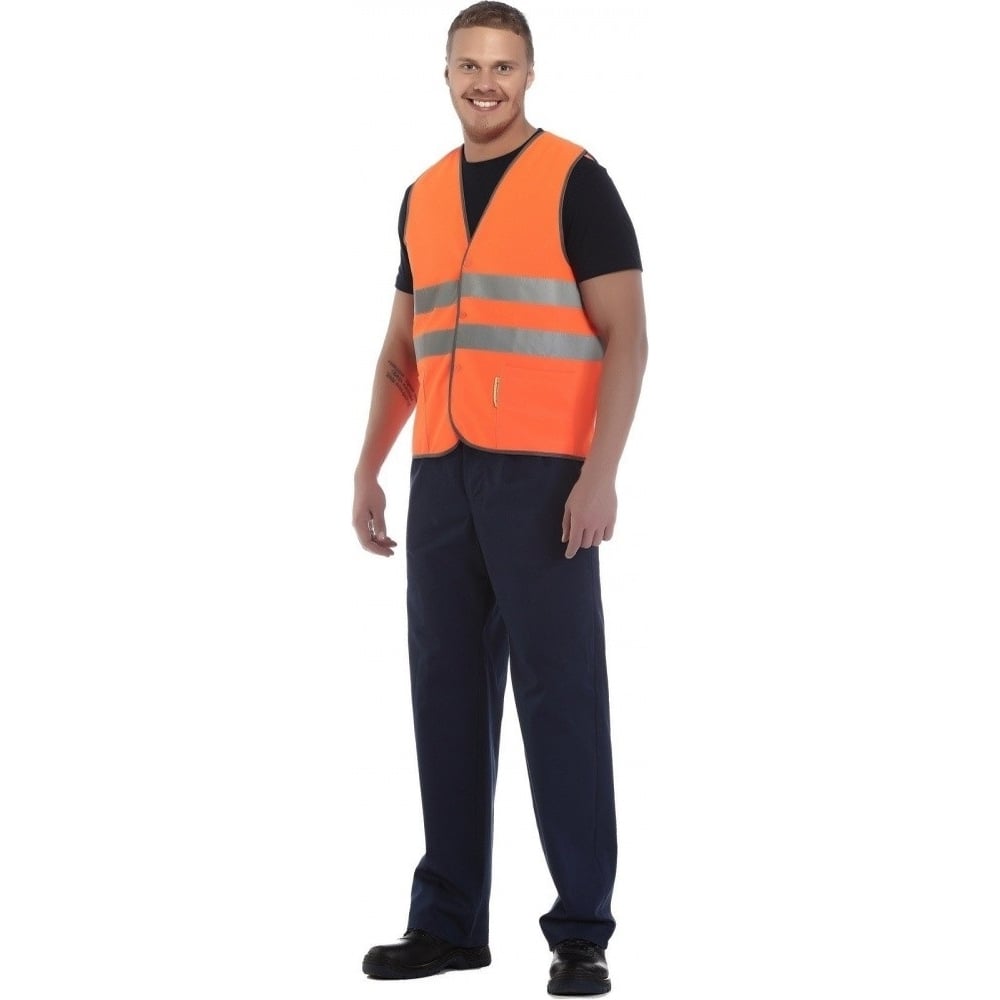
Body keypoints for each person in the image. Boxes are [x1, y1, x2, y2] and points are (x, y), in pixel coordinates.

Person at [351, 2, 647, 994]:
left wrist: (600, 474)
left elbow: (629, 335)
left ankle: (581, 931)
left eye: (504, 66)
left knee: (562, 700)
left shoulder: (575, 179)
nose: (486, 82)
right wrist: (368, 465)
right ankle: (447, 923)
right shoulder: (423, 196)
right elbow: (404, 348)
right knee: (443, 698)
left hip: (544, 480)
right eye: (469, 65)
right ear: (445, 75)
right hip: (440, 474)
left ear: (528, 75)